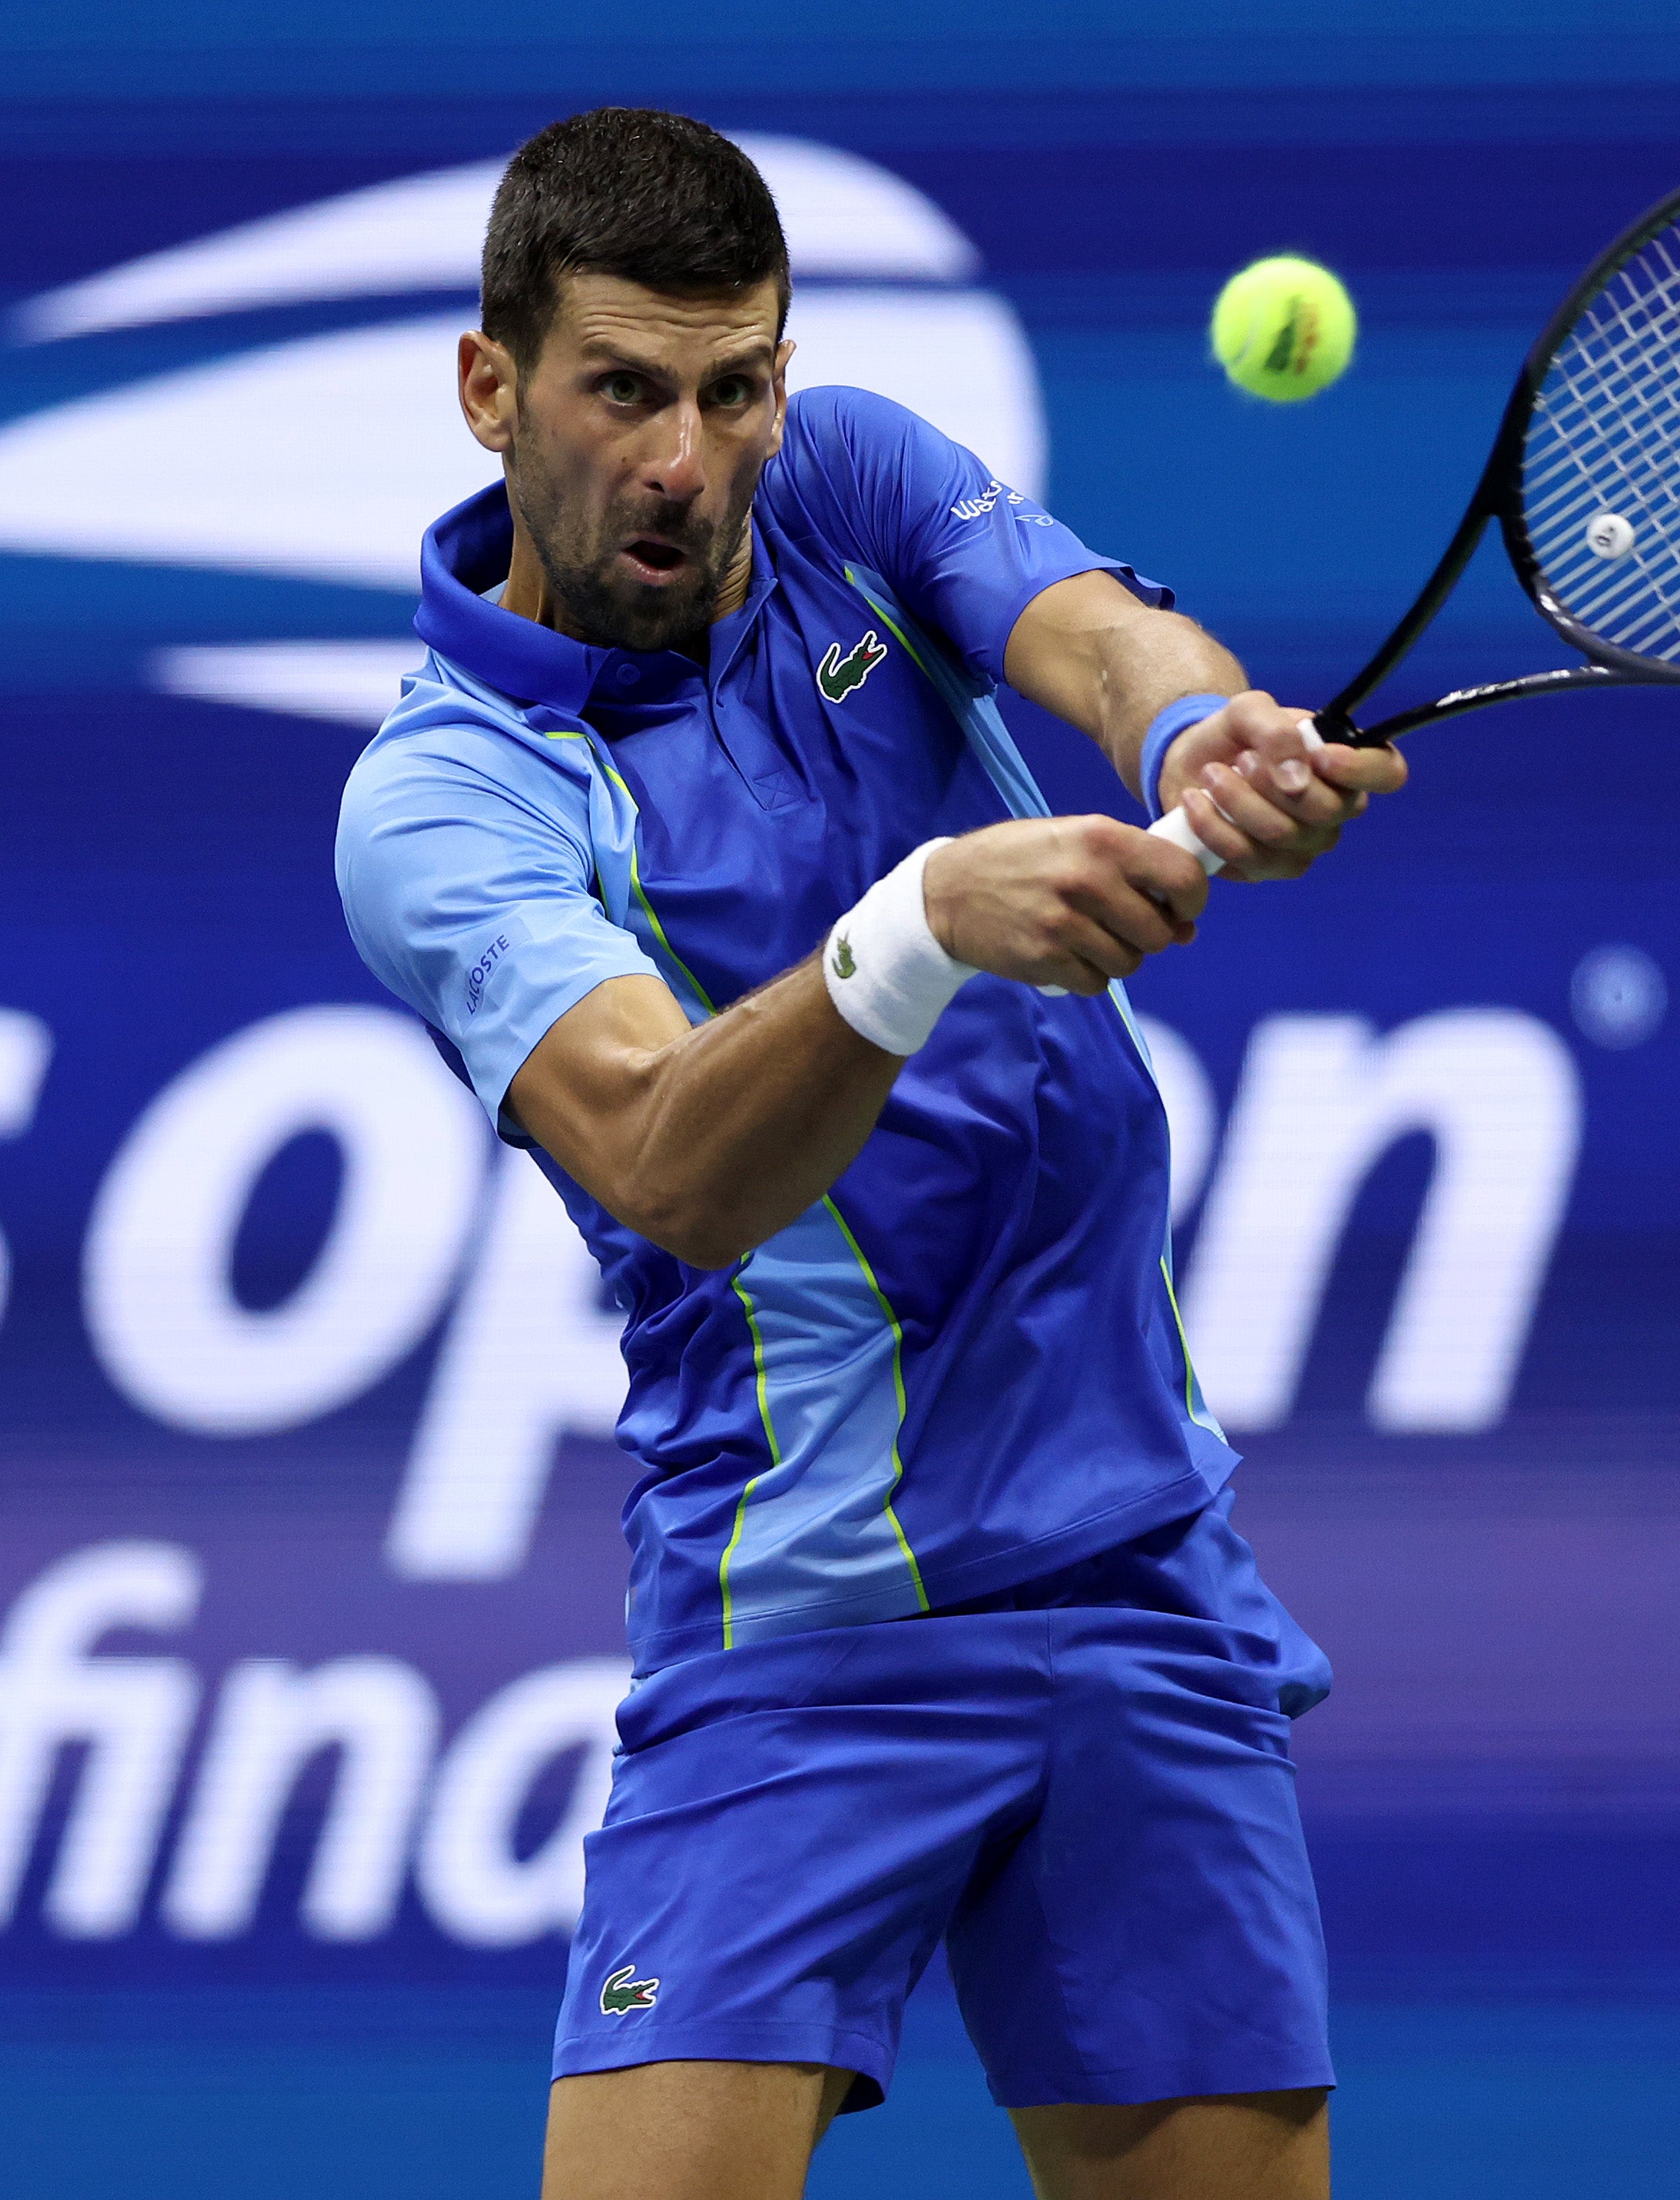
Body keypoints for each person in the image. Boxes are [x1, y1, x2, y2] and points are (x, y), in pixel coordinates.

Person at [335, 108, 1406, 2200]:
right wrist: (916, 929)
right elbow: (669, 1158)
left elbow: (1088, 628)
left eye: (735, 388)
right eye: (622, 391)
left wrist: (1198, 734)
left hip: (1136, 1583)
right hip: (807, 1627)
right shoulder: (445, 802)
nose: (687, 458)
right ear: (492, 387)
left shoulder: (846, 484)